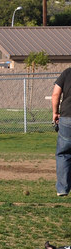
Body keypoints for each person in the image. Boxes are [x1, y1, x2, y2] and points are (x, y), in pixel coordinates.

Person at [51, 67, 71, 196]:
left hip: (67, 118)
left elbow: (56, 94)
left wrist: (55, 112)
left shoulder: (67, 73)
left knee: (63, 154)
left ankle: (62, 189)